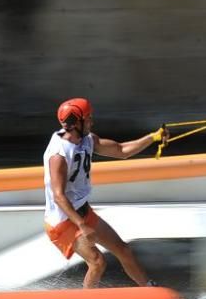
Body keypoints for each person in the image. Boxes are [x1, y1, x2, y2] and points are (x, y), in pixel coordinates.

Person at [43, 97, 165, 288]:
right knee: (97, 262)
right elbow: (59, 196)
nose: (92, 121)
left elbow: (122, 150)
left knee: (123, 250)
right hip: (63, 221)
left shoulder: (87, 140)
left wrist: (153, 137)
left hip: (82, 211)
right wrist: (82, 225)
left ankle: (150, 291)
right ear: (77, 123)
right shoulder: (58, 155)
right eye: (88, 118)